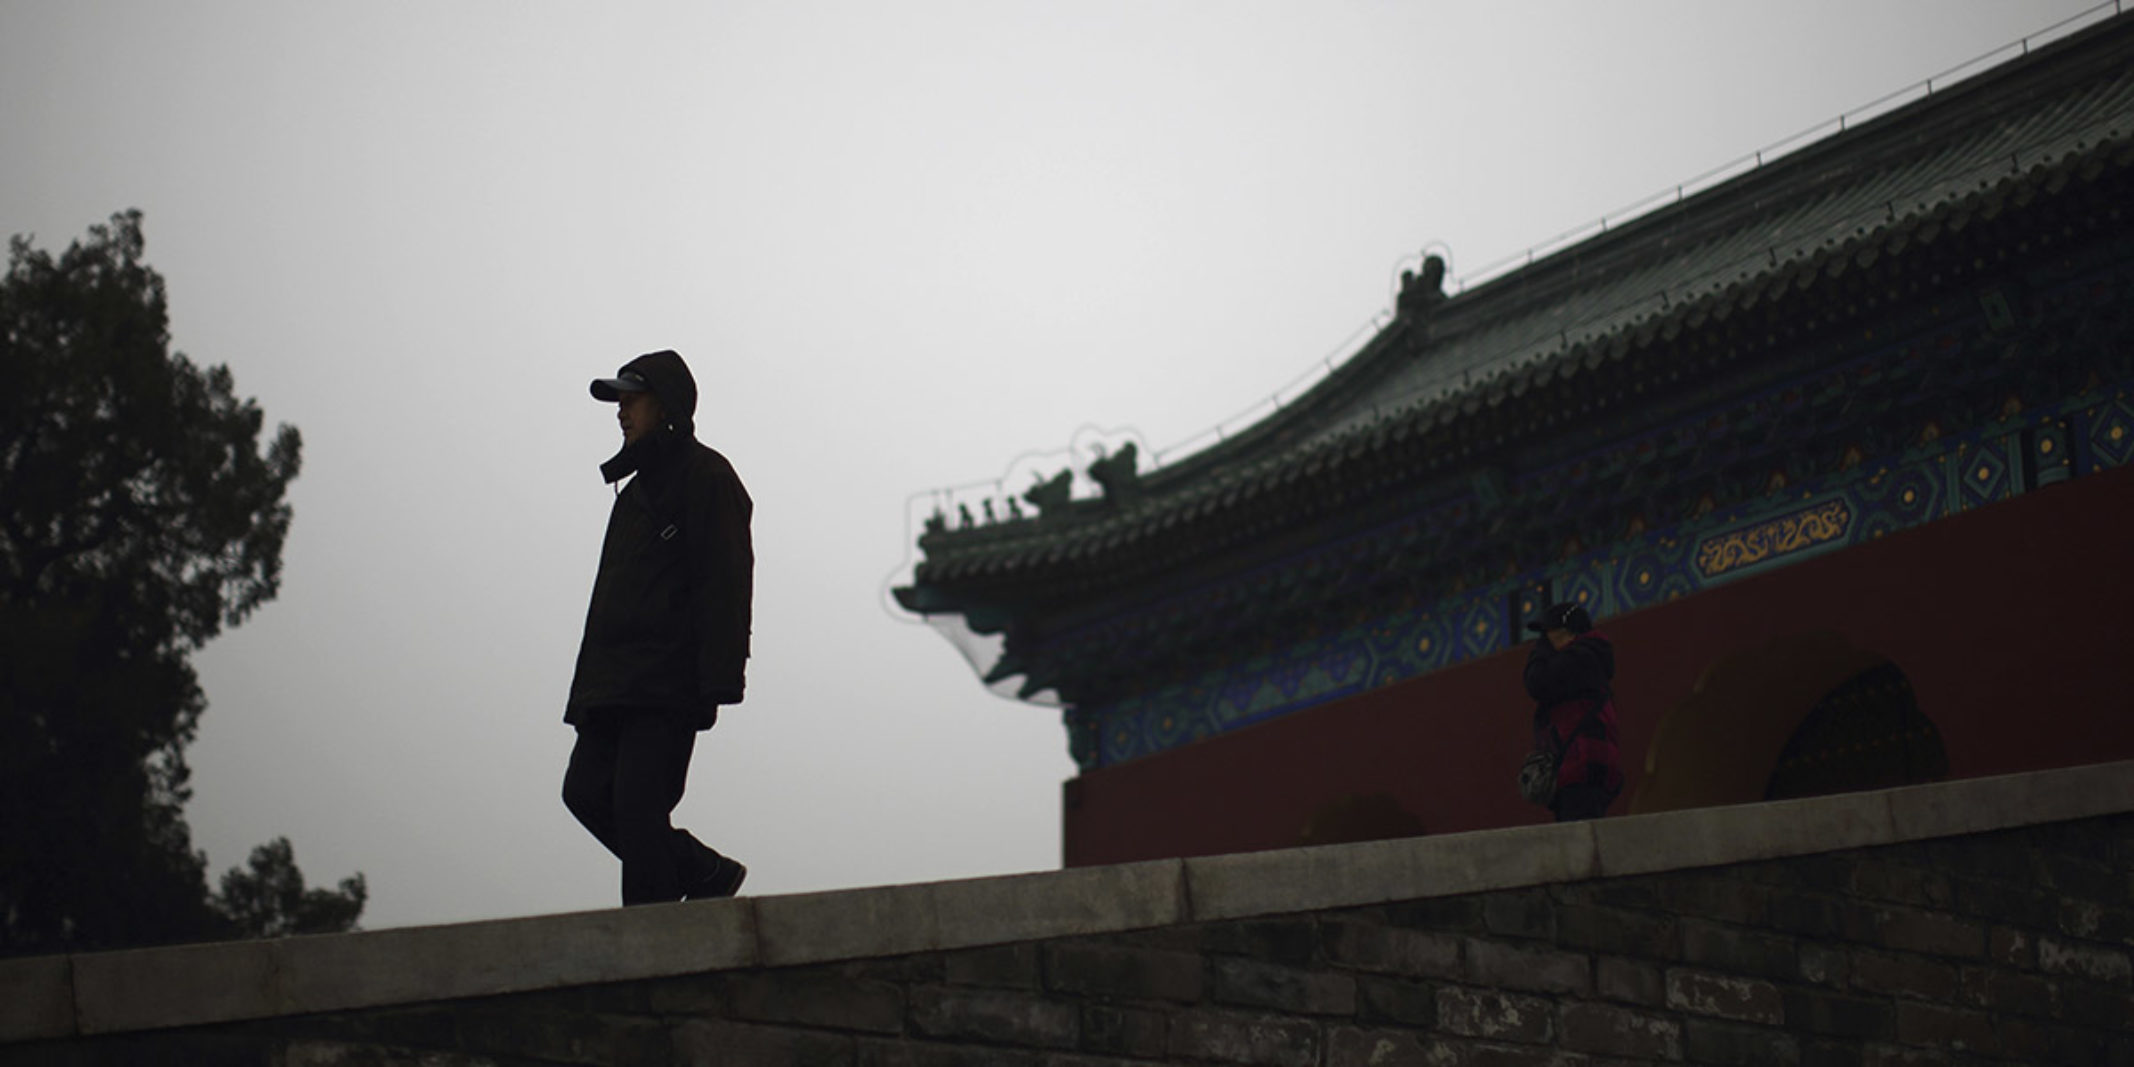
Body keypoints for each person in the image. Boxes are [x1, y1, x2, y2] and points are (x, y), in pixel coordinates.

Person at [561, 349, 753, 904]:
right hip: (611, 686)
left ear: (664, 405)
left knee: (638, 810)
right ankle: (704, 872)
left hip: (667, 683)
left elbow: (726, 580)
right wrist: (585, 694)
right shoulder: (634, 491)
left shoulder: (706, 476)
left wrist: (718, 679)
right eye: (617, 400)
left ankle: (654, 954)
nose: (621, 411)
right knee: (583, 793)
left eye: (632, 398)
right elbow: (609, 604)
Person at [1523, 601, 1622, 822]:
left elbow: (1536, 682)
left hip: (1582, 764)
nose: (1544, 641)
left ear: (1567, 633)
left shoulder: (1580, 657)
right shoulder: (1590, 656)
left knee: (1579, 847)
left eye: (1547, 633)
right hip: (1588, 764)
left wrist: (1540, 652)